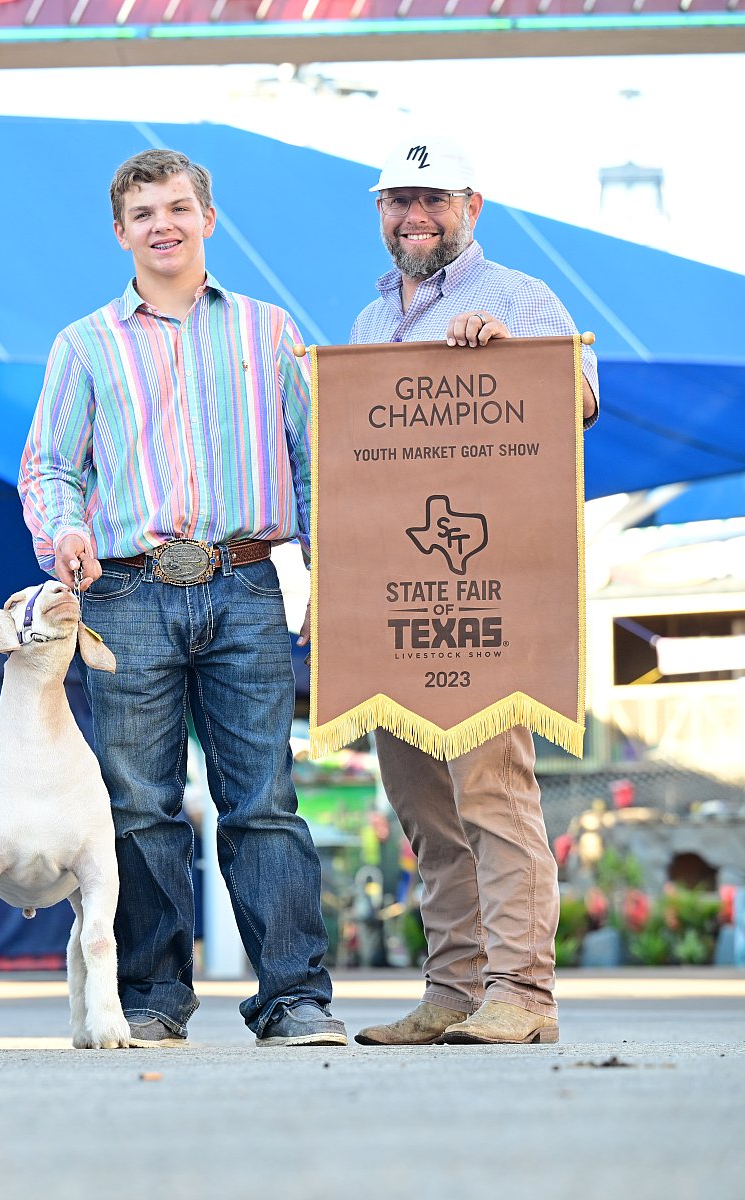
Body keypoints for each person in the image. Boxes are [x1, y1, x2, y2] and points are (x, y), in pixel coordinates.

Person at [19, 148, 345, 1048]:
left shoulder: (272, 333)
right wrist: (65, 534)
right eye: (143, 213)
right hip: (127, 591)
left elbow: (316, 469)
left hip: (247, 585)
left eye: (177, 207)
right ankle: (152, 998)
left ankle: (294, 999)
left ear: (208, 216)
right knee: (137, 805)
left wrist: (332, 580)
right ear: (119, 232)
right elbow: (49, 465)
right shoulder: (83, 343)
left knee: (264, 798)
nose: (162, 224)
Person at [348, 137, 597, 1048]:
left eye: (433, 200)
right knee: (425, 811)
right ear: (379, 212)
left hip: (488, 597)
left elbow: (578, 398)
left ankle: (524, 994)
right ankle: (454, 990)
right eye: (397, 202)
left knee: (495, 797)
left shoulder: (521, 297)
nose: (415, 217)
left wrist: (509, 358)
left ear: (472, 206)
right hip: (395, 599)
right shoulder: (370, 324)